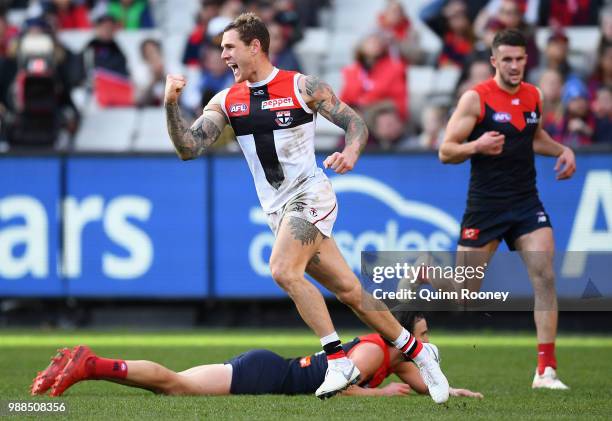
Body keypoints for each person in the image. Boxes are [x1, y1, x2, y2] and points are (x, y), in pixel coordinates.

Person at [163, 13, 449, 402]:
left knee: (282, 269)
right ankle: (421, 354)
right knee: (350, 291)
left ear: (255, 46)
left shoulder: (301, 86)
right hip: (278, 210)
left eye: (229, 47)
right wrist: (170, 105)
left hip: (311, 195)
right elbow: (188, 149)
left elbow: (355, 123)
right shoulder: (226, 100)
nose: (223, 55)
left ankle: (336, 359)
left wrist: (350, 151)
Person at [438, 29, 576, 390]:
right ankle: (425, 272)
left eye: (520, 59)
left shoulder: (534, 96)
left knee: (545, 275)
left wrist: (562, 150)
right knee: (464, 296)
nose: (515, 66)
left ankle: (546, 370)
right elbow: (446, 150)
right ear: (494, 61)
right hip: (485, 206)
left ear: (526, 60)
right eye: (508, 60)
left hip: (525, 202)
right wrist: (478, 145)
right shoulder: (475, 99)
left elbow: (536, 138)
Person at [31, 312, 482, 399]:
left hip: (273, 369)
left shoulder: (398, 357)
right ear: (405, 330)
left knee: (173, 386)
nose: (423, 341)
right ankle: (90, 364)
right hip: (269, 375)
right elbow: (335, 390)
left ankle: (87, 366)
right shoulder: (372, 349)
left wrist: (453, 390)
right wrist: (378, 398)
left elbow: (426, 383)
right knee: (175, 384)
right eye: (421, 333)